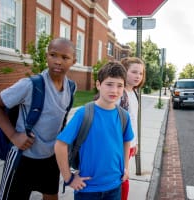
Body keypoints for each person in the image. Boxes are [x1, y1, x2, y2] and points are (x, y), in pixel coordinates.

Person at [0, 37, 77, 200]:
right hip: (22, 158)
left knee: (51, 195)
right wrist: (13, 136)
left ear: (73, 61)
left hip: (51, 158)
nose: (58, 61)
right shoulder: (30, 85)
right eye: (53, 55)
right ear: (47, 56)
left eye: (65, 57)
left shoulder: (71, 88)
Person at [54, 61, 134, 200]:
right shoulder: (84, 113)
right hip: (87, 189)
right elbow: (60, 144)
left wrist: (125, 168)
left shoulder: (123, 116)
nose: (114, 90)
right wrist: (68, 178)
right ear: (98, 85)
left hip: (115, 186)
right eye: (109, 84)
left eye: (119, 86)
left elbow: (127, 141)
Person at [119, 57, 146, 200]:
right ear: (124, 72)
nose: (138, 76)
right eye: (134, 72)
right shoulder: (119, 93)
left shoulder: (134, 92)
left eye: (140, 73)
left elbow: (134, 121)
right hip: (120, 144)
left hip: (130, 144)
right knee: (123, 178)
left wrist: (135, 144)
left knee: (123, 177)